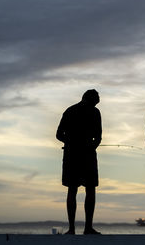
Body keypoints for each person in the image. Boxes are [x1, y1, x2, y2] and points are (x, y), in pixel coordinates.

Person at [56, 89, 102, 235]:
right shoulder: (95, 112)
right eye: (97, 99)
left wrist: (70, 143)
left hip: (71, 155)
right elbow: (99, 137)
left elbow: (58, 135)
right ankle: (88, 228)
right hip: (88, 155)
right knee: (90, 189)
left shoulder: (69, 111)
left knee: (72, 190)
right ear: (92, 100)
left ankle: (72, 229)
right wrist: (91, 146)